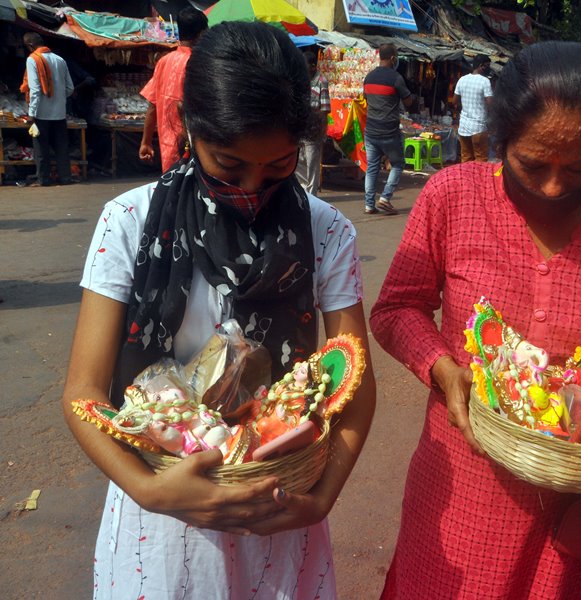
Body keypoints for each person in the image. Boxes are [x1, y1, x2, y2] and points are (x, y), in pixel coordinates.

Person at [62, 22, 375, 598]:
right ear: (189, 126)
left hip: (279, 515)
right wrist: (151, 492)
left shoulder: (327, 232)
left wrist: (322, 497)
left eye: (278, 167)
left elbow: (354, 383)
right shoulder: (128, 223)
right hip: (158, 523)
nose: (253, 186)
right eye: (229, 167)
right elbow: (83, 393)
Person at [370, 41, 581, 599]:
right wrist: (441, 366)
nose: (555, 186)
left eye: (580, 167)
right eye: (532, 165)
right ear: (499, 140)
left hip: (573, 498)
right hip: (462, 479)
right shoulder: (452, 196)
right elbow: (395, 309)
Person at [139, 7, 208, 172]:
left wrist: (146, 142)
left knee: (172, 192)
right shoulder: (200, 63)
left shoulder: (164, 62)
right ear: (201, 33)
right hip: (195, 150)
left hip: (168, 152)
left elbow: (152, 106)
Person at [362, 43, 413, 215]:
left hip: (371, 130)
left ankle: (369, 205)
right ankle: (385, 198)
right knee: (398, 164)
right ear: (392, 58)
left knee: (372, 168)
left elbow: (366, 99)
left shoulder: (368, 78)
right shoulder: (396, 78)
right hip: (389, 131)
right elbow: (408, 102)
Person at [20, 32, 74, 186]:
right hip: (59, 113)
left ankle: (43, 179)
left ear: (30, 46)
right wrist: (58, 98)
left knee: (41, 148)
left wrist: (32, 113)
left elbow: (35, 89)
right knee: (62, 147)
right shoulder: (60, 60)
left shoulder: (33, 60)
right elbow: (70, 88)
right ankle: (66, 178)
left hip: (41, 113)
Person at [295, 50, 331, 196]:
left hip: (314, 129)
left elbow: (324, 109)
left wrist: (320, 131)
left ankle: (312, 196)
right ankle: (303, 192)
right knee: (299, 162)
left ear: (313, 66)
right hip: (300, 128)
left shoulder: (322, 81)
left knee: (312, 165)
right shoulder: (301, 80)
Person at [454, 54, 493, 163]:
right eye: (487, 65)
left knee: (466, 158)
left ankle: (466, 180)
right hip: (479, 127)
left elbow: (454, 101)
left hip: (464, 126)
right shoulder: (485, 81)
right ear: (481, 66)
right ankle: (479, 180)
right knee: (480, 159)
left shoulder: (462, 79)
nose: (489, 68)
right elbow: (490, 103)